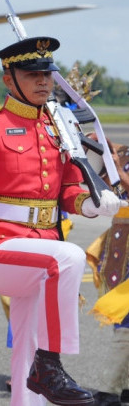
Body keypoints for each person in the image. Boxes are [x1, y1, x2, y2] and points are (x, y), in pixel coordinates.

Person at [0, 36, 127, 405]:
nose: (43, 81)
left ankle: (36, 376)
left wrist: (90, 205)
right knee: (69, 257)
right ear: (9, 78)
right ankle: (50, 366)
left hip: (42, 249)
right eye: (32, 74)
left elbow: (67, 190)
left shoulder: (55, 127)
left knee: (28, 342)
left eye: (47, 73)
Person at [86, 142, 129, 406]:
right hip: (121, 243)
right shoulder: (124, 152)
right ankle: (122, 385)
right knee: (121, 314)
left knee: (125, 317)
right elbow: (104, 191)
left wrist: (115, 167)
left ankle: (109, 389)